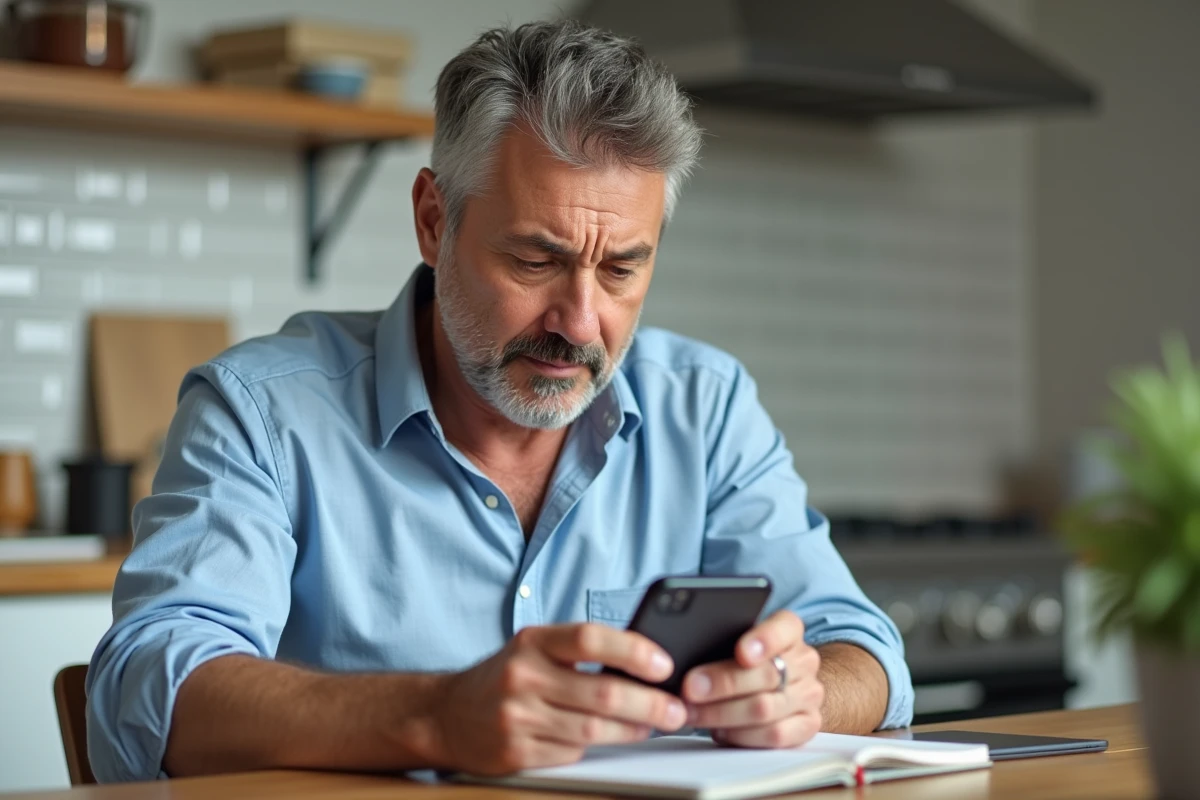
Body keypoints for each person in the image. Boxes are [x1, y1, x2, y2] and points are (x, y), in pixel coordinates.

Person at [86, 19, 912, 783]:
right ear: (432, 219)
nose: (581, 323)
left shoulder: (706, 406)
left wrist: (799, 694)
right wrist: (434, 717)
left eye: (621, 269)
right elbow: (148, 686)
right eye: (533, 260)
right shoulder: (260, 414)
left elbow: (866, 651)